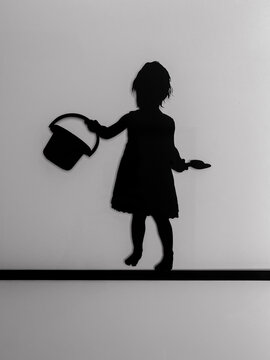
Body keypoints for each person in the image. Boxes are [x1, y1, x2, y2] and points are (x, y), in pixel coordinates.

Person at [85, 61, 188, 271]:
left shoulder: (136, 119)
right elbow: (171, 152)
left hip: (139, 175)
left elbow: (106, 133)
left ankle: (153, 254)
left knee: (143, 215)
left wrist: (95, 127)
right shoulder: (165, 122)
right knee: (155, 217)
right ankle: (157, 254)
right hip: (153, 176)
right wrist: (180, 165)